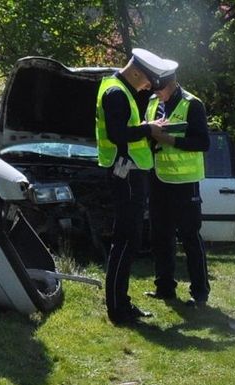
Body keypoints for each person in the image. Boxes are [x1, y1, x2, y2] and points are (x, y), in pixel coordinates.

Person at [94, 48, 176, 325]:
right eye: (148, 82)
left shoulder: (119, 89)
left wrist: (146, 127)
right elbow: (118, 134)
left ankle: (122, 303)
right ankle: (117, 309)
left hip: (129, 173)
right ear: (137, 71)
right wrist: (148, 129)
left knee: (129, 240)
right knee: (126, 241)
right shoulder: (116, 92)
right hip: (125, 174)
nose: (148, 87)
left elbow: (124, 130)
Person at [144, 68, 211, 307]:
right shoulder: (152, 102)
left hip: (185, 182)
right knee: (160, 236)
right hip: (158, 179)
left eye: (160, 88)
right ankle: (164, 288)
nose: (157, 93)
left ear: (172, 83)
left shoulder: (193, 104)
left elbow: (203, 143)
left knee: (190, 237)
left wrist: (170, 139)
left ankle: (200, 293)